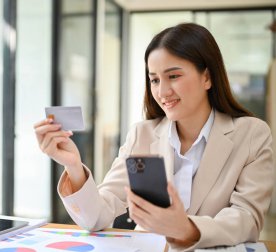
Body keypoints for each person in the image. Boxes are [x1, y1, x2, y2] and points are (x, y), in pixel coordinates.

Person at [34, 23, 274, 251]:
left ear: (207, 77)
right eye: (155, 80)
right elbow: (96, 216)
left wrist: (186, 229)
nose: (162, 91)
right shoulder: (142, 135)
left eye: (174, 76)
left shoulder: (252, 134)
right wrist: (73, 165)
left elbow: (247, 219)